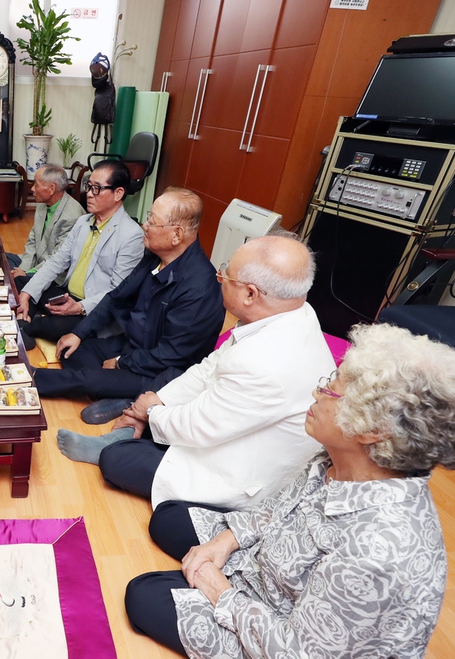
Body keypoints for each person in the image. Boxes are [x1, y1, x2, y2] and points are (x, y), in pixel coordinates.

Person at [125, 323, 455, 658]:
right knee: (167, 518)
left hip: (288, 635)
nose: (317, 392)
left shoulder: (375, 552)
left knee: (143, 594)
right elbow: (280, 508)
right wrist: (225, 542)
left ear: (374, 429)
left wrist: (219, 590)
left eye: (331, 390)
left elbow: (297, 652)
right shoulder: (339, 457)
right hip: (270, 573)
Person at [58, 234, 335, 512]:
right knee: (159, 408)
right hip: (228, 424)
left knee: (117, 461)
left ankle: (117, 443)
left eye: (226, 273)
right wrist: (156, 401)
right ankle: (126, 428)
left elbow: (199, 428)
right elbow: (208, 370)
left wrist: (152, 412)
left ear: (251, 294)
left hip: (240, 474)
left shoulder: (265, 361)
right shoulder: (293, 312)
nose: (219, 276)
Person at [34, 188, 224, 425]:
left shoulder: (200, 287)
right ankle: (121, 395)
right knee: (71, 347)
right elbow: (117, 296)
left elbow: (172, 355)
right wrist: (78, 332)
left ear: (176, 234)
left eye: (152, 221)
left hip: (159, 370)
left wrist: (122, 362)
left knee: (87, 378)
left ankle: (29, 380)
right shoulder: (155, 256)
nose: (144, 225)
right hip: (131, 346)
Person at [16, 159, 145, 347]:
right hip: (66, 295)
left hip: (92, 308)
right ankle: (28, 319)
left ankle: (27, 324)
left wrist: (78, 307)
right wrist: (27, 293)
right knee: (21, 282)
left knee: (57, 326)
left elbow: (117, 292)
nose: (89, 194)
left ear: (118, 193)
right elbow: (57, 261)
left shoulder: (132, 235)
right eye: (89, 186)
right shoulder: (83, 222)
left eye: (97, 189)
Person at [6, 164, 85, 290]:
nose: (32, 188)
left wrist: (27, 273)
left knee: (14, 281)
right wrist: (23, 268)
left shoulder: (72, 216)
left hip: (54, 275)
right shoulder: (43, 204)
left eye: (36, 184)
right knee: (2, 259)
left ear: (52, 188)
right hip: (37, 262)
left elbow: (58, 259)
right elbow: (32, 241)